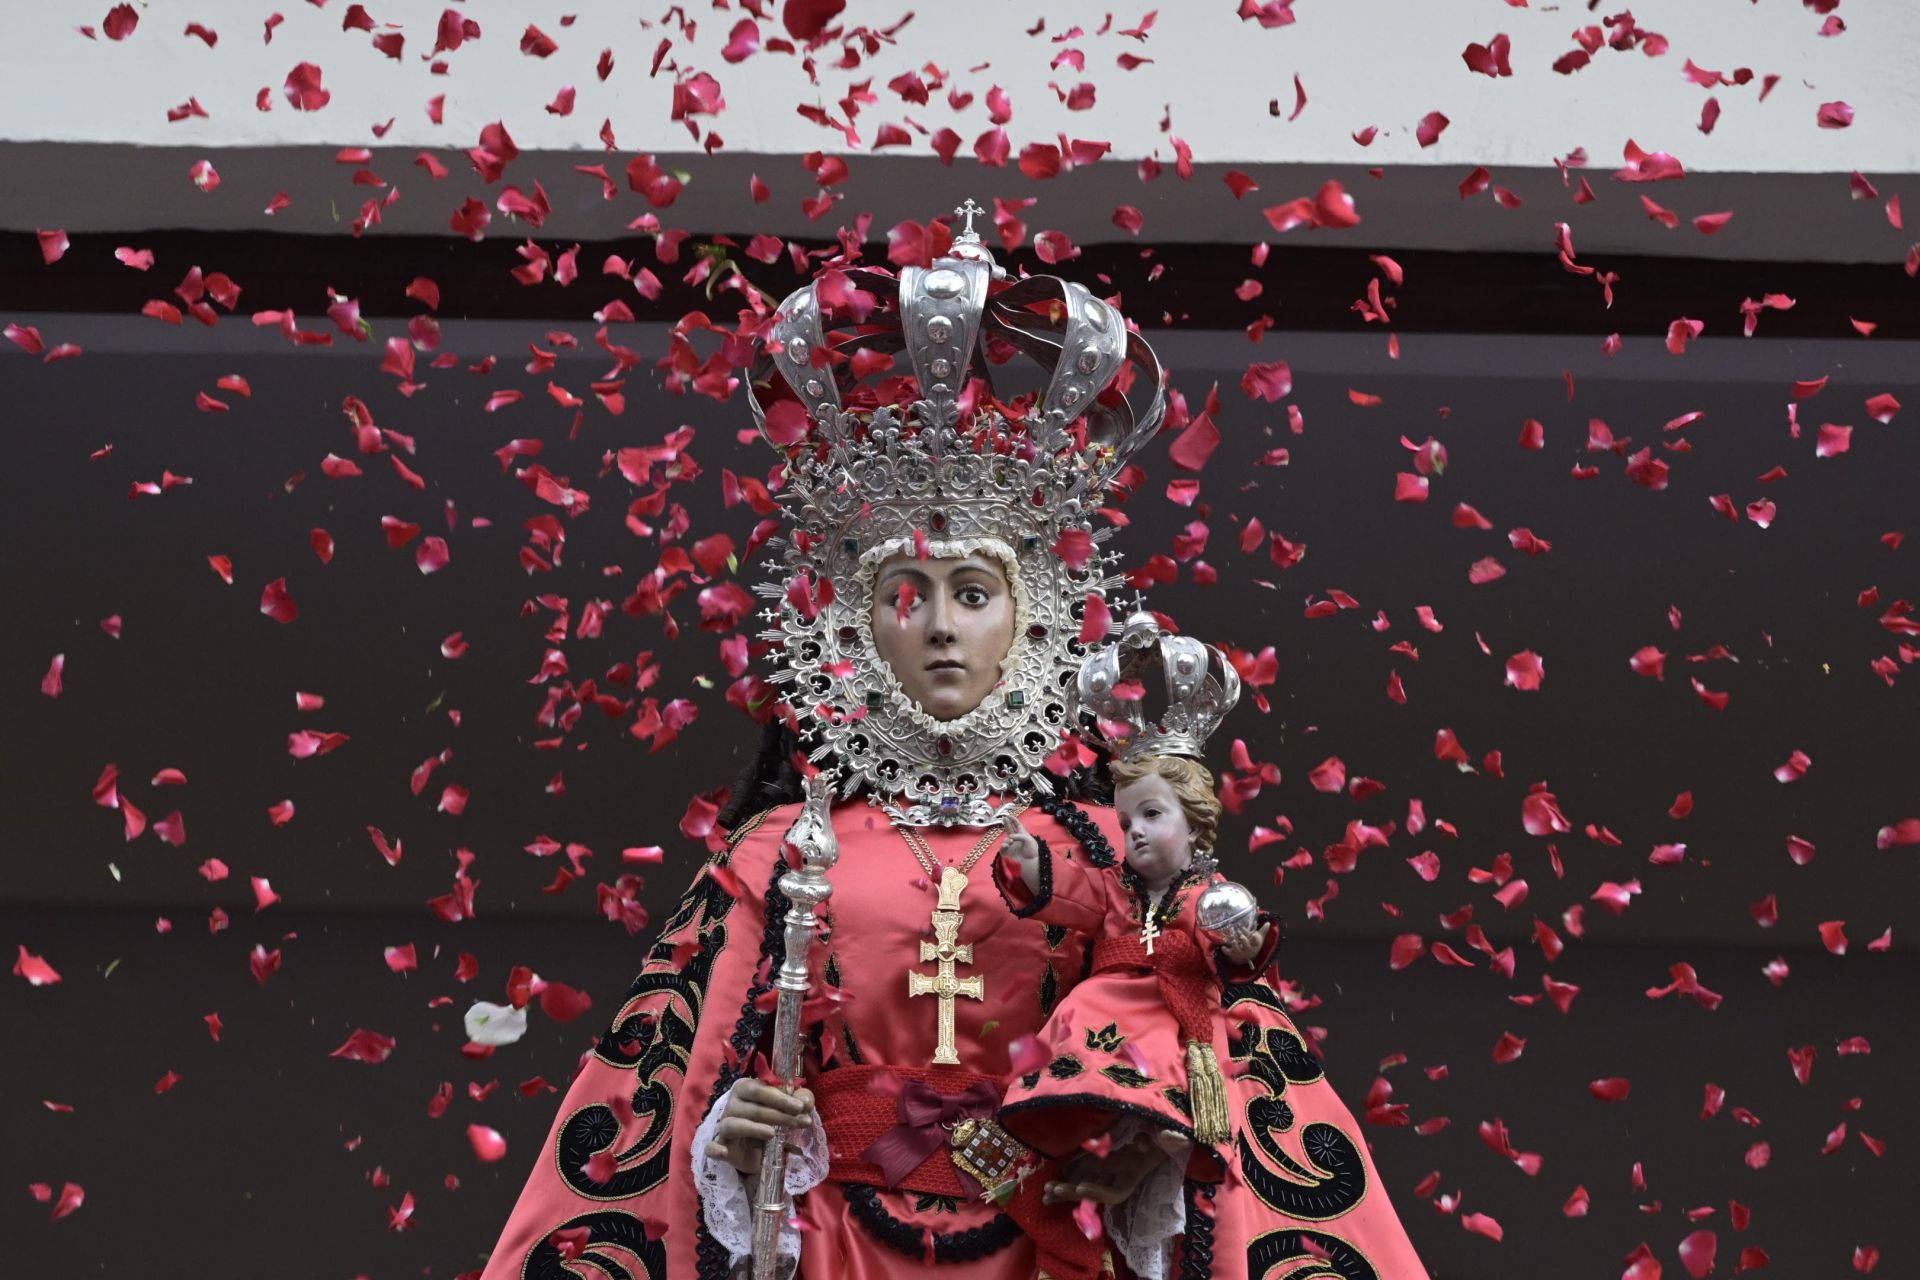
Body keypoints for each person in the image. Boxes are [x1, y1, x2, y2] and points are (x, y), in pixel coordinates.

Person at [477, 202, 1430, 1280]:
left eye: (972, 592)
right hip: (833, 1240)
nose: (938, 624)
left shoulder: (1107, 853)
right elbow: (675, 1090)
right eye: (907, 593)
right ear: (854, 620)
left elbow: (1212, 1075)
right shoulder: (777, 853)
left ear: (1032, 620)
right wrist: (727, 1139)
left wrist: (1155, 1147)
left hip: (1052, 1243)